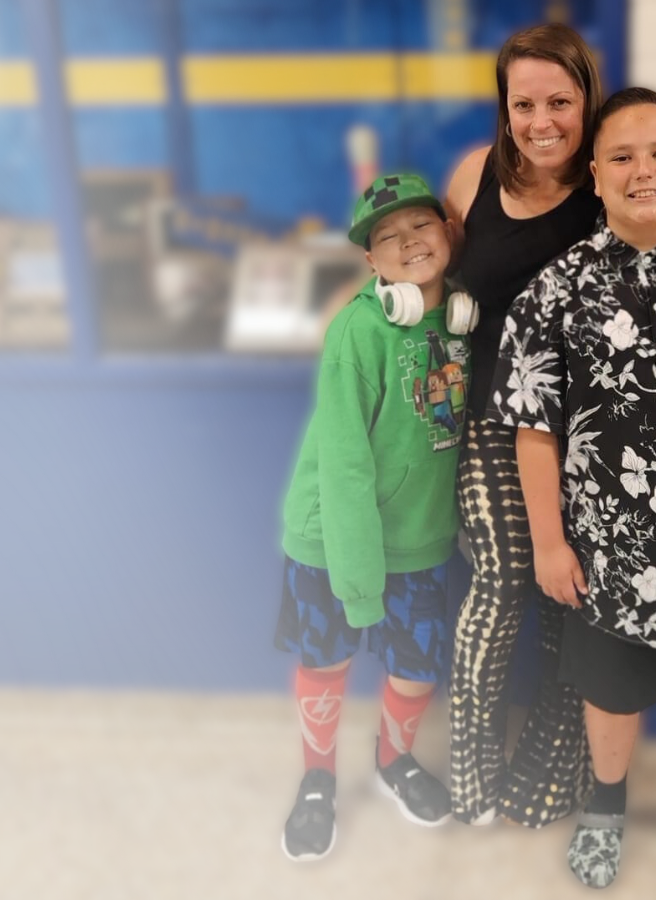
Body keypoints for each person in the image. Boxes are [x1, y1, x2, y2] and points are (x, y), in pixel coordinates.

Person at [443, 23, 656, 828]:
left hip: (599, 441)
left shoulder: (618, 171)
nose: (541, 120)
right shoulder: (473, 176)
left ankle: (557, 776)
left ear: (585, 104)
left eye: (559, 101)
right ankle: (470, 764)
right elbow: (427, 267)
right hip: (499, 420)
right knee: (506, 583)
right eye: (523, 102)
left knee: (576, 606)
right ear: (504, 109)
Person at [275, 173, 476, 860]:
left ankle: (393, 759)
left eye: (421, 226)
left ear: (448, 234)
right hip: (333, 537)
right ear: (371, 263)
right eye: (388, 237)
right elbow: (345, 463)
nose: (408, 242)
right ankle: (316, 781)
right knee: (326, 659)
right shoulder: (357, 332)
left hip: (419, 539)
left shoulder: (464, 323)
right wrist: (357, 579)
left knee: (417, 666)